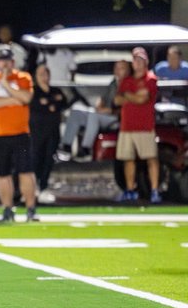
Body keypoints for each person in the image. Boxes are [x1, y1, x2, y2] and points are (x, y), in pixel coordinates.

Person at [0, 45, 38, 222]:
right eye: (2, 60)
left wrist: (6, 85)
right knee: (1, 173)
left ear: (13, 62)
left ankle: (30, 209)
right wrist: (13, 99)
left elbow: (26, 98)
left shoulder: (23, 77)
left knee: (25, 171)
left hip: (20, 134)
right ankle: (7, 208)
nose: (5, 64)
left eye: (8, 60)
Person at [56, 58, 130, 162]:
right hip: (104, 114)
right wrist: (100, 104)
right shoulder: (113, 83)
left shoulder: (130, 84)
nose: (117, 71)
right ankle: (66, 146)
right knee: (76, 113)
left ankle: (86, 149)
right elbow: (104, 98)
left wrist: (108, 111)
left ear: (127, 70)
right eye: (116, 68)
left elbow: (128, 106)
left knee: (93, 116)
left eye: (121, 68)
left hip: (116, 118)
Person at [115, 48, 161, 203]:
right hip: (127, 126)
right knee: (128, 159)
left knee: (151, 158)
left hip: (144, 126)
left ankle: (155, 190)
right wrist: (133, 96)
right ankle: (130, 190)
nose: (137, 63)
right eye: (135, 60)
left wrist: (129, 96)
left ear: (146, 62)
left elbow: (143, 99)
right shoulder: (127, 80)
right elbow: (118, 100)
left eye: (140, 60)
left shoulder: (151, 79)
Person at [29, 63, 69, 205]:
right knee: (36, 158)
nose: (44, 77)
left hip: (52, 130)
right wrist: (50, 104)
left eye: (46, 73)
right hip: (37, 131)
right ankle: (33, 188)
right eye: (40, 74)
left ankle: (44, 186)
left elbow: (63, 102)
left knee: (48, 159)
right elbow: (37, 105)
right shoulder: (33, 91)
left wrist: (49, 103)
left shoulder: (55, 90)